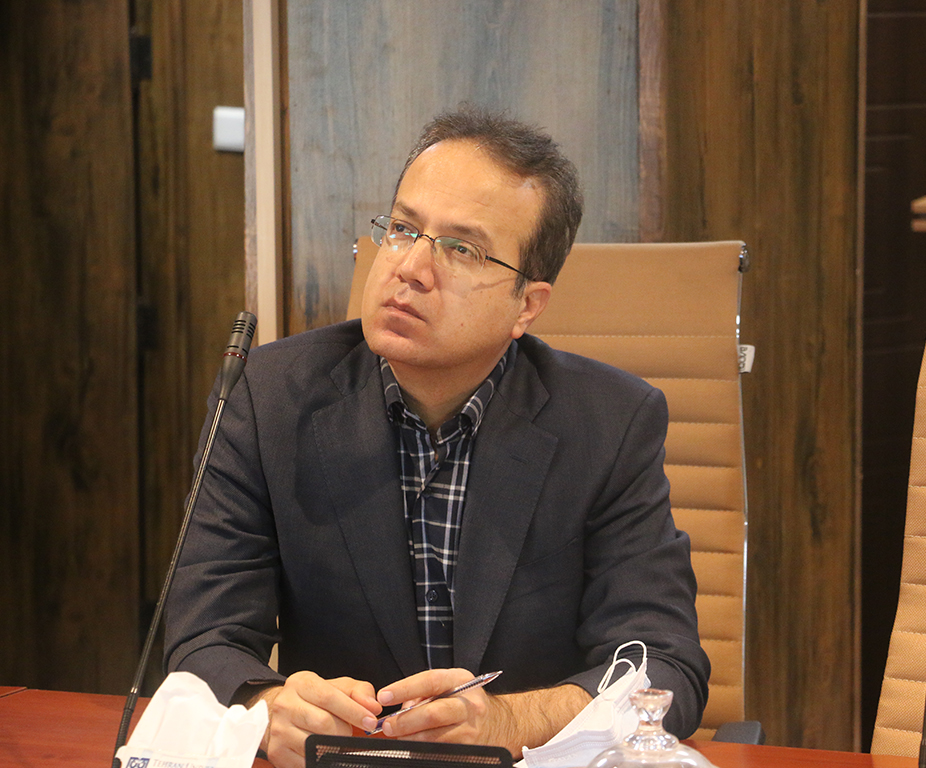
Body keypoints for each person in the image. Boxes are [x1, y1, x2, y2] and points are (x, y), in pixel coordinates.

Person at [164, 107, 709, 768]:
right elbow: (204, 638)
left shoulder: (610, 423)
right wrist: (268, 706)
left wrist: (507, 721)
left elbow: (664, 666)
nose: (411, 267)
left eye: (462, 249)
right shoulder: (267, 398)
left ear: (527, 305)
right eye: (402, 229)